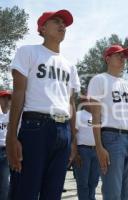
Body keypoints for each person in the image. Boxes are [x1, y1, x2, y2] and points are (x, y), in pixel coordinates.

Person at [6, 9, 80, 200]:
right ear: (42, 28)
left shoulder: (70, 66)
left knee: (53, 194)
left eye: (64, 23)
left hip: (63, 130)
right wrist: (11, 137)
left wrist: (73, 139)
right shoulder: (28, 52)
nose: (62, 25)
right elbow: (19, 93)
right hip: (35, 128)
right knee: (25, 192)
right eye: (56, 21)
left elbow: (70, 102)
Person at [88, 44, 128, 200]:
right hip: (111, 137)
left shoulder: (127, 85)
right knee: (112, 193)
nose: (123, 59)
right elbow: (95, 116)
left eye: (124, 56)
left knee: (127, 194)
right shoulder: (99, 79)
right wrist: (99, 147)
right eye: (118, 55)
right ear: (107, 59)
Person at [73, 96, 100, 200]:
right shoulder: (79, 115)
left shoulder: (98, 116)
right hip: (83, 151)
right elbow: (74, 134)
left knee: (93, 181)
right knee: (83, 182)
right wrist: (75, 153)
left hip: (96, 151)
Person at [0, 90, 11, 200]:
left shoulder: (13, 116)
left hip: (6, 151)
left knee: (5, 184)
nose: (6, 100)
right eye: (3, 98)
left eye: (8, 98)